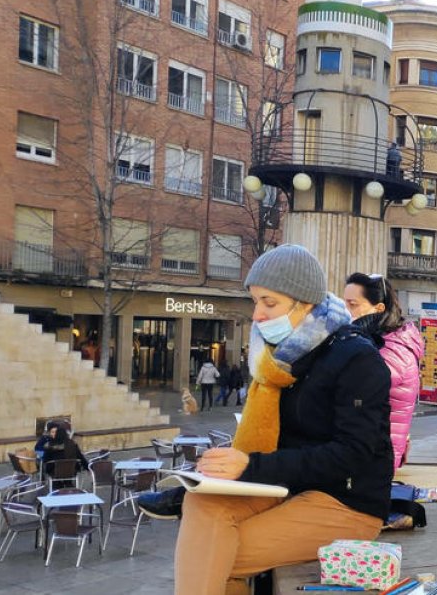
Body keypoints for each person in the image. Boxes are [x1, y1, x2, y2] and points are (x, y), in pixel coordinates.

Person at [138, 244, 393, 595]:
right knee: (201, 505)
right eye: (255, 301)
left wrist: (249, 465)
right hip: (286, 487)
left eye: (269, 302)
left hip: (347, 502)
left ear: (304, 303)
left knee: (210, 558)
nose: (257, 315)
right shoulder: (282, 358)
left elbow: (353, 453)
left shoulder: (356, 358)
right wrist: (229, 465)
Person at [343, 271, 425, 475]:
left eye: (352, 305)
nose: (345, 311)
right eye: (344, 303)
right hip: (370, 453)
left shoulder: (391, 350)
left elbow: (352, 390)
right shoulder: (381, 342)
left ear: (378, 308)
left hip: (372, 462)